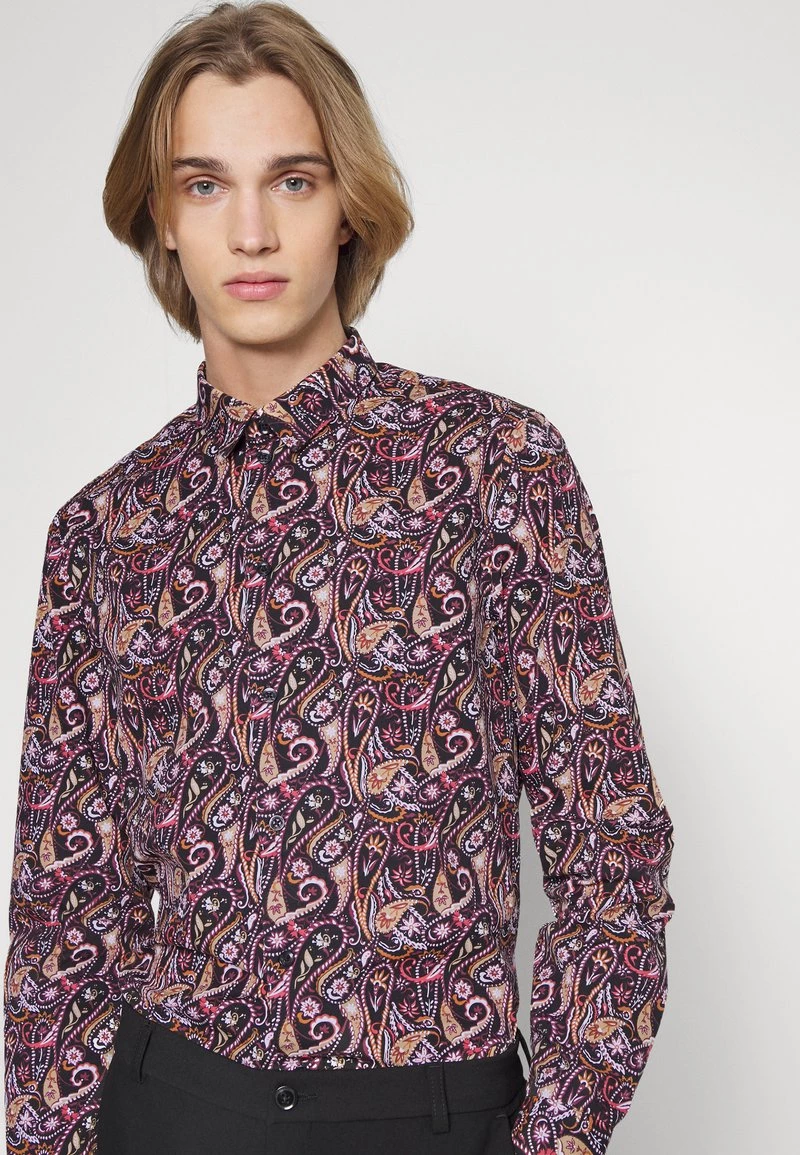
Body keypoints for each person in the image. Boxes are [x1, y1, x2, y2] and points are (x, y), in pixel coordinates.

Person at [2, 3, 676, 1154]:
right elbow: (68, 915)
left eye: (293, 181)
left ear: (348, 205)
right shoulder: (105, 532)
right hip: (172, 1110)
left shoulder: (492, 467)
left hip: (428, 1112)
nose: (251, 231)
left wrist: (559, 1134)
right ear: (162, 218)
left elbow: (608, 844)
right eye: (205, 184)